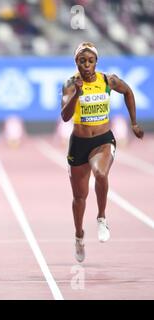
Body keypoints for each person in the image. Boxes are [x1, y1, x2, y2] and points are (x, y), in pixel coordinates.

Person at [61, 42, 144, 263]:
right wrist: (77, 94)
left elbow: (128, 91)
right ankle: (79, 235)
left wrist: (134, 123)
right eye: (82, 61)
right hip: (78, 143)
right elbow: (65, 116)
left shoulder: (108, 80)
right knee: (79, 197)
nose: (86, 65)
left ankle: (101, 217)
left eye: (90, 61)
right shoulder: (70, 84)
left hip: (103, 140)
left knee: (100, 173)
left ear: (96, 62)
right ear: (76, 62)